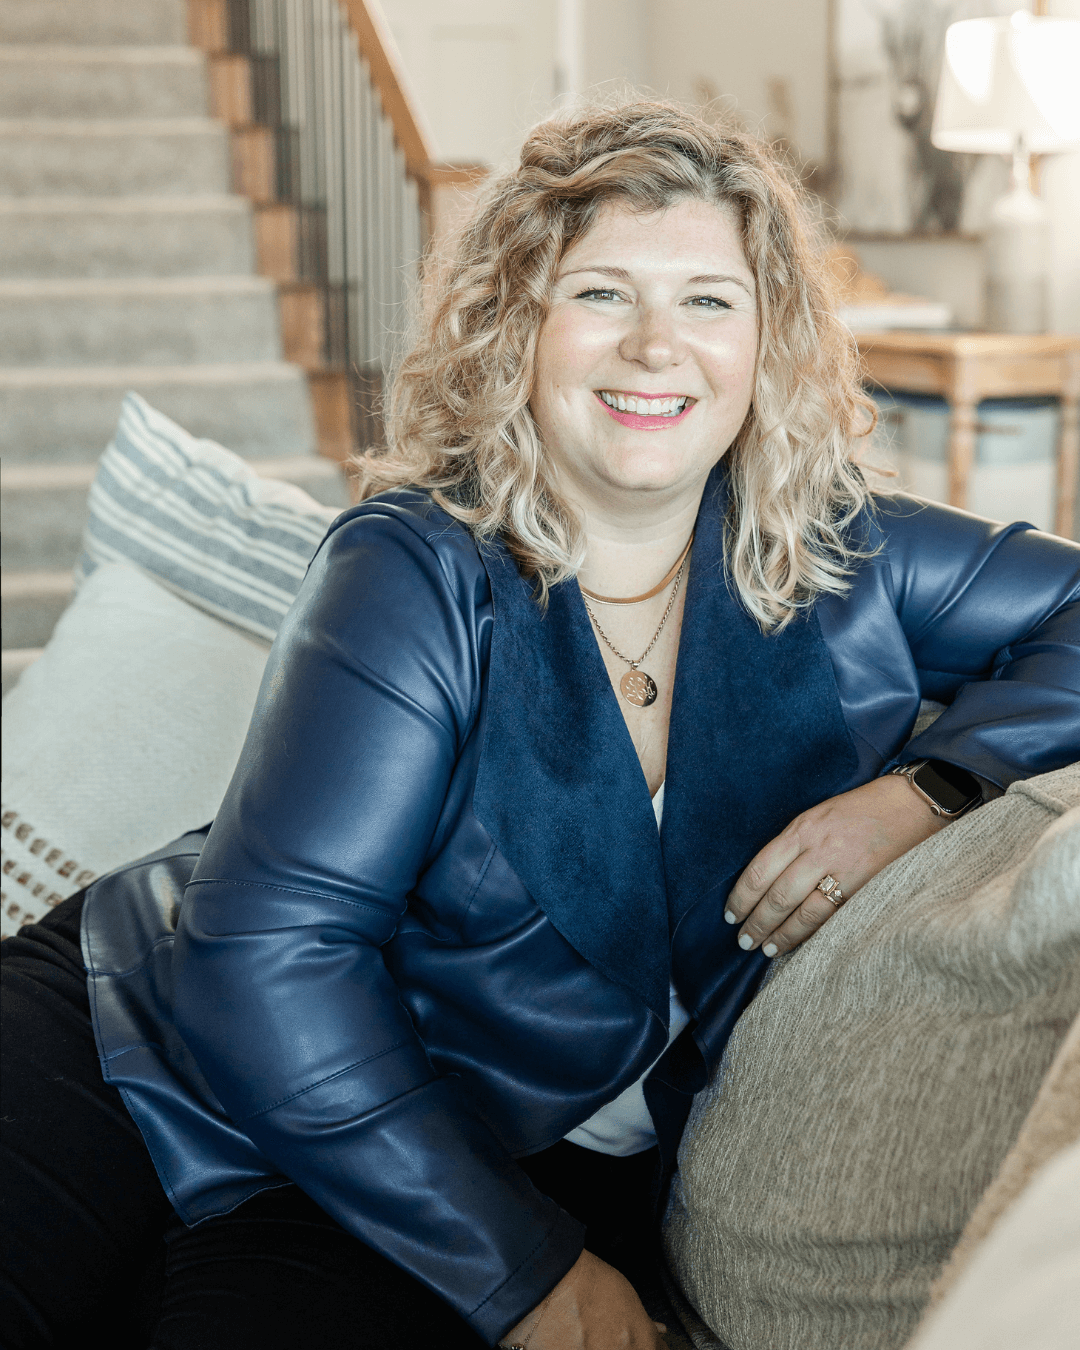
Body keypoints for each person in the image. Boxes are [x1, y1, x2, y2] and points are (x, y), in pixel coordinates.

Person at [2, 99, 1079, 1350]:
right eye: (604, 294)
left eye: (710, 301)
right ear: (520, 323)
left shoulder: (849, 555)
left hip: (448, 1154)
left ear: (768, 338)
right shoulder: (417, 565)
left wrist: (931, 789)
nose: (656, 348)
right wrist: (530, 1278)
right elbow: (266, 956)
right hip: (144, 1042)